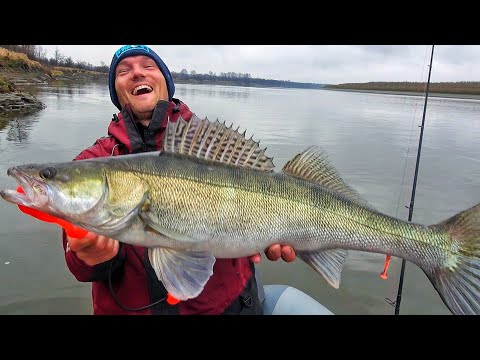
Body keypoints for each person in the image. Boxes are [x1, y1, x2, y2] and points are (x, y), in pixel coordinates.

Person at [62, 45, 297, 315]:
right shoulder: (91, 162)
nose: (137, 73)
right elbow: (79, 263)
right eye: (124, 71)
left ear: (165, 81)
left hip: (225, 307)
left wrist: (277, 228)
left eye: (148, 66)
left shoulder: (210, 145)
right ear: (116, 91)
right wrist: (89, 256)